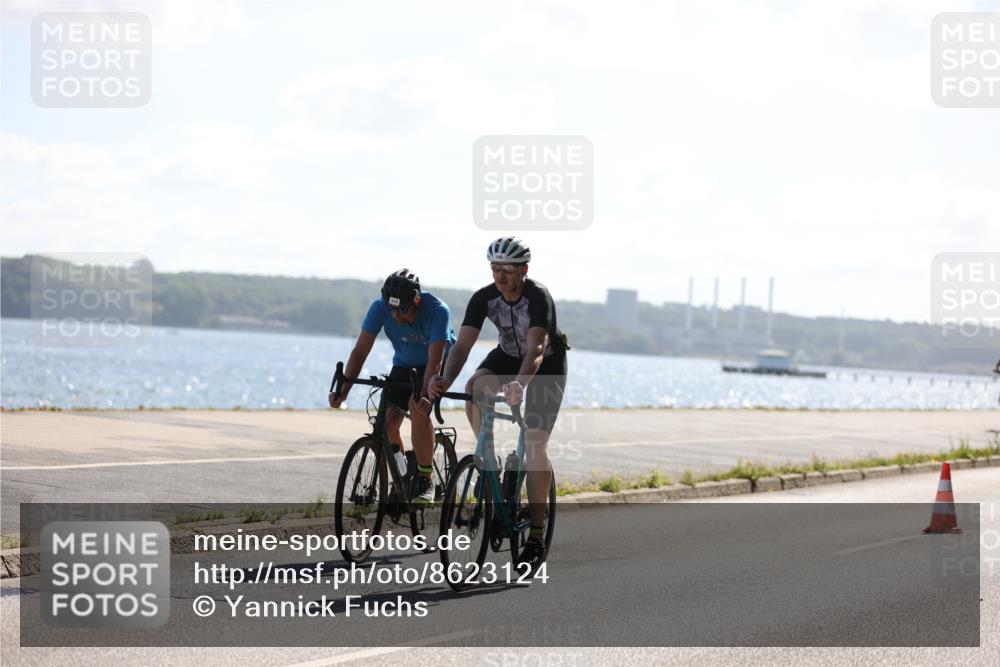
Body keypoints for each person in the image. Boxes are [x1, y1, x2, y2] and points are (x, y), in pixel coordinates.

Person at [428, 237, 568, 568]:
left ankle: (535, 532)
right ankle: (485, 454)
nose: (500, 275)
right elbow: (461, 347)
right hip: (506, 355)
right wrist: (443, 378)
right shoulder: (483, 298)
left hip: (545, 365)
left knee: (534, 447)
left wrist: (520, 384)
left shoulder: (538, 296)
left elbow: (535, 350)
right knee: (475, 386)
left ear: (523, 270)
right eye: (494, 268)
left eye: (506, 269)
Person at [329, 269, 456, 504]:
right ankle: (404, 474)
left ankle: (425, 479)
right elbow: (360, 351)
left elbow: (436, 360)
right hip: (404, 364)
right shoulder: (379, 308)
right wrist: (344, 390)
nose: (396, 316)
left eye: (403, 310)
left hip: (435, 364)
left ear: (416, 301)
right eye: (392, 309)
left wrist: (424, 395)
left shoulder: (438, 311)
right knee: (386, 423)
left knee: (418, 409)